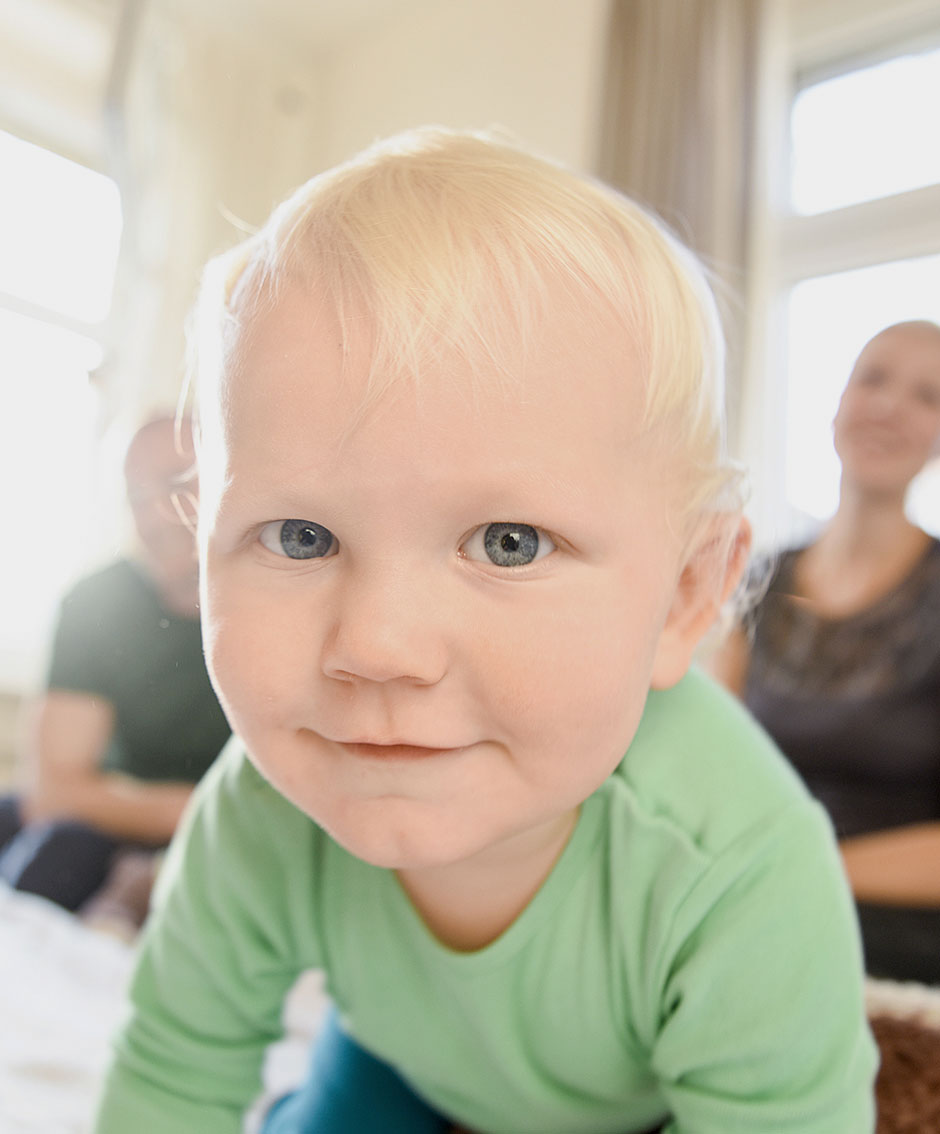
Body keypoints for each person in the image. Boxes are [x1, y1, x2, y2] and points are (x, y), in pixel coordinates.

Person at [94, 128, 876, 1134]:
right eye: (299, 535)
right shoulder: (254, 811)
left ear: (685, 596)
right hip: (393, 1065)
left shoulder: (735, 865)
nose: (376, 646)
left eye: (508, 543)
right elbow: (171, 1074)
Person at [710, 319, 940, 985]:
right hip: (758, 900)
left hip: (891, 932)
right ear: (838, 403)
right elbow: (715, 766)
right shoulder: (757, 579)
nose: (892, 406)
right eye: (874, 378)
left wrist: (805, 869)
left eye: (928, 395)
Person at [0, 415, 231, 913]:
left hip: (215, 836)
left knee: (55, 860)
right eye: (136, 495)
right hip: (140, 813)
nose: (154, 516)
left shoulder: (277, 608)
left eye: (177, 485)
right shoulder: (95, 602)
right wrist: (190, 810)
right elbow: (51, 791)